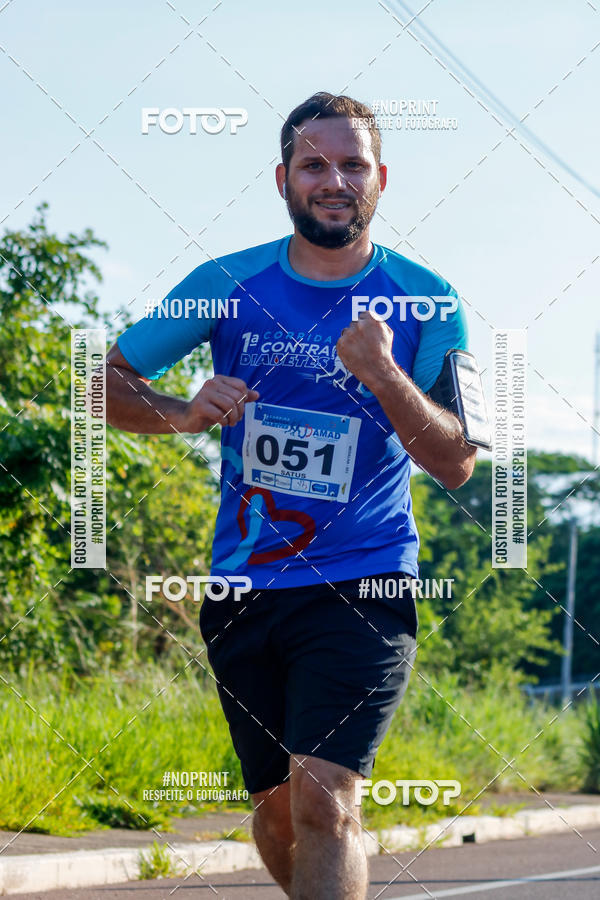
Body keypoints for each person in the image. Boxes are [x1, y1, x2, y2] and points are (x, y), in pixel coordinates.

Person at [106, 92, 478, 900]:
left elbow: (455, 463)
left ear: (381, 177)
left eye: (351, 164)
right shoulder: (227, 283)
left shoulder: (425, 299)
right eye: (314, 164)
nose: (333, 179)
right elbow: (97, 384)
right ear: (283, 179)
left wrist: (384, 376)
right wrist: (181, 413)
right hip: (245, 586)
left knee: (325, 800)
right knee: (277, 812)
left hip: (365, 579)